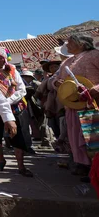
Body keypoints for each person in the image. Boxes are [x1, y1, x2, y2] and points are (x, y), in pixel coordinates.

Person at [50, 34, 99, 179]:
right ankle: (87, 167)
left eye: (70, 42)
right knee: (78, 138)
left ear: (82, 43)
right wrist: (57, 83)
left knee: (94, 138)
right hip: (74, 105)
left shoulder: (95, 55)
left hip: (93, 103)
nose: (67, 45)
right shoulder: (67, 62)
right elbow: (55, 79)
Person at [0, 47, 33, 177]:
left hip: (14, 106)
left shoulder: (12, 70)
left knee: (17, 134)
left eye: (0, 58)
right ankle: (0, 159)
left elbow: (21, 89)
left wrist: (8, 101)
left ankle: (21, 165)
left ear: (5, 58)